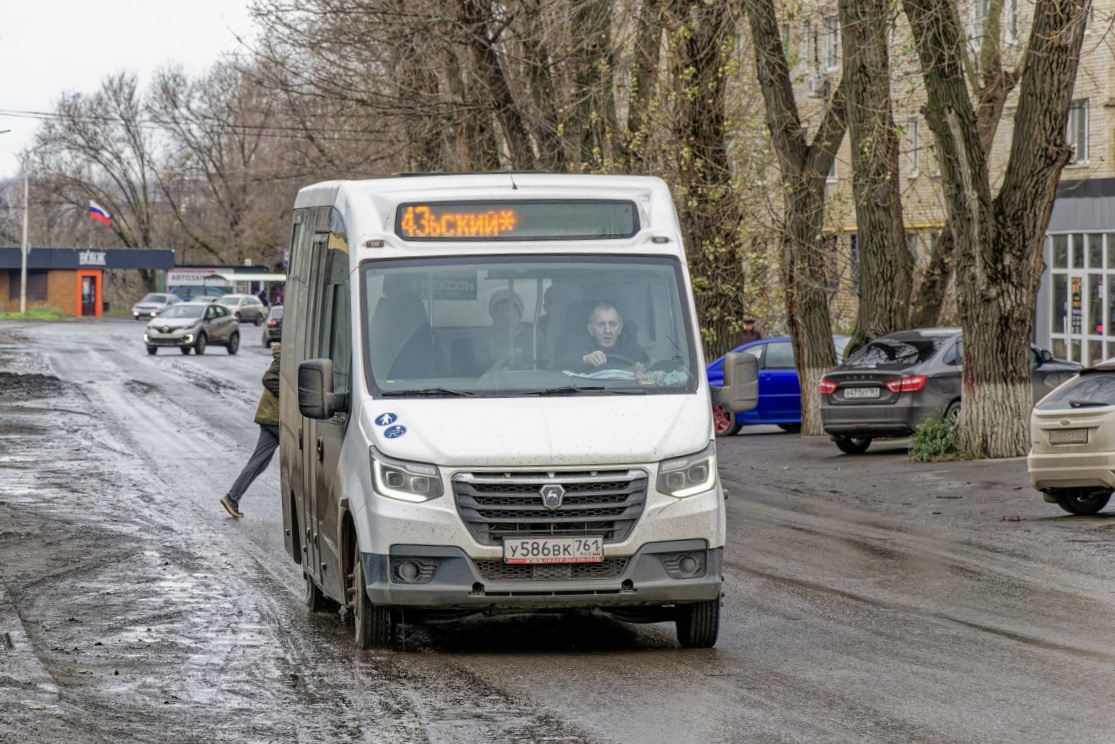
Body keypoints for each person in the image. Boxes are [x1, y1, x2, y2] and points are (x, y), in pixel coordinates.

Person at [220, 343, 281, 518]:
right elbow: (268, 378)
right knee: (305, 461)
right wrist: (288, 395)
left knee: (259, 462)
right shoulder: (287, 357)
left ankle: (232, 498)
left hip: (271, 416)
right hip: (276, 418)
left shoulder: (286, 355)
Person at [554, 300, 648, 372]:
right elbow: (558, 363)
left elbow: (654, 369)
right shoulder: (575, 345)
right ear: (590, 329)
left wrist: (640, 369)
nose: (607, 330)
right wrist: (584, 359)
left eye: (612, 324)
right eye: (601, 324)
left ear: (620, 328)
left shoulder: (633, 350)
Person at [466, 288, 535, 375]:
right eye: (499, 311)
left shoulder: (534, 336)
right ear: (492, 315)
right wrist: (502, 363)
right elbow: (480, 372)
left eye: (508, 310)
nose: (504, 315)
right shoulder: (482, 338)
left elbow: (540, 369)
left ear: (519, 313)